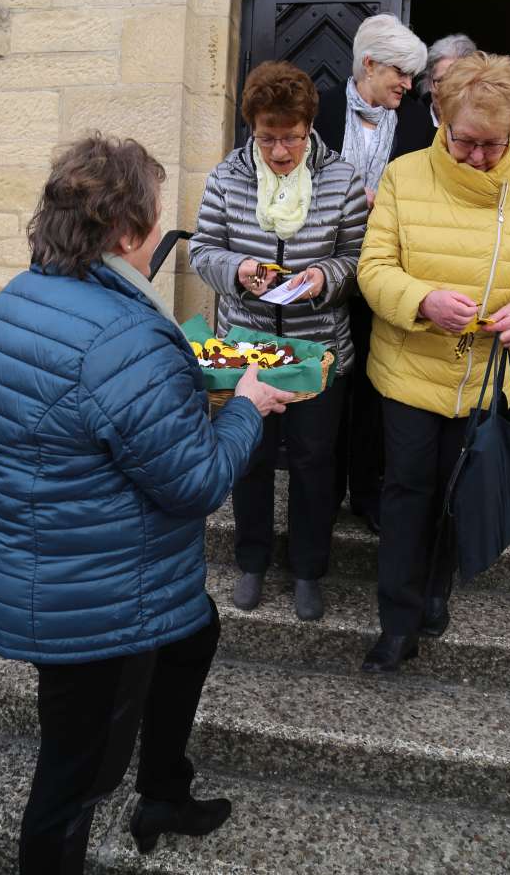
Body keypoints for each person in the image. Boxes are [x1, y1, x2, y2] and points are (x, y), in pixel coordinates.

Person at [0, 134, 293, 874]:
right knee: (75, 776)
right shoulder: (125, 335)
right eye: (154, 217)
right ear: (122, 231)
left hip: (55, 558)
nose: (161, 233)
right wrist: (245, 405)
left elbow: (85, 419)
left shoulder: (21, 297)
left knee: (194, 635)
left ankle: (164, 792)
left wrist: (172, 392)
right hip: (98, 597)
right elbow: (196, 481)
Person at [357, 52, 510, 673]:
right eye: (467, 143)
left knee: (458, 496)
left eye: (493, 145)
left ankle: (436, 590)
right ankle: (396, 623)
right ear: (442, 121)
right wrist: (422, 300)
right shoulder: (403, 176)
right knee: (406, 495)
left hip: (483, 380)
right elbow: (372, 272)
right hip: (407, 372)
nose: (479, 157)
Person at [189, 60, 368, 622]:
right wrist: (239, 269)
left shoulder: (343, 180)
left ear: (309, 127)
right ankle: (252, 560)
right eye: (268, 137)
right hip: (245, 351)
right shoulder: (226, 177)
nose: (281, 151)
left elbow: (360, 259)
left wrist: (323, 279)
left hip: (319, 353)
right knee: (250, 457)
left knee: (316, 463)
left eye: (291, 137)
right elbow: (201, 251)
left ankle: (310, 569)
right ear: (252, 128)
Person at [313, 13, 430, 534]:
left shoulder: (417, 121)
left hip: (387, 273)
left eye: (412, 75)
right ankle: (319, 488)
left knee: (371, 384)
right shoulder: (320, 108)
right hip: (324, 270)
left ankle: (366, 489)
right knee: (324, 380)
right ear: (369, 64)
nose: (408, 84)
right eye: (400, 73)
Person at [418, 32, 477, 133]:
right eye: (441, 81)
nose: (447, 92)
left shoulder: (485, 131)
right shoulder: (409, 121)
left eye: (456, 83)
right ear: (430, 82)